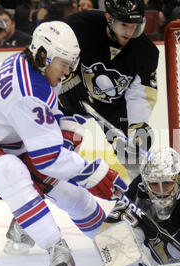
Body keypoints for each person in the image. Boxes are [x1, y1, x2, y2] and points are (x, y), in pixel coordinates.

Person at [0, 20, 127, 266]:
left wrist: (67, 133)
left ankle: (114, 244)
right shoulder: (26, 89)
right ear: (43, 54)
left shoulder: (36, 68)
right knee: (11, 171)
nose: (67, 72)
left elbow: (46, 124)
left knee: (64, 186)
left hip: (7, 139)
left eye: (70, 64)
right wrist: (97, 175)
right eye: (64, 64)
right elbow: (48, 158)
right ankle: (54, 245)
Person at [57, 0, 159, 180]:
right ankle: (55, 179)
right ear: (108, 19)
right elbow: (51, 49)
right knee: (60, 139)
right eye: (124, 25)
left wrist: (137, 125)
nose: (129, 32)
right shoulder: (80, 26)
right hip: (74, 90)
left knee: (133, 155)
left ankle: (142, 193)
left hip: (115, 106)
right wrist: (61, 81)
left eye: (135, 26)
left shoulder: (145, 51)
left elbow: (139, 93)